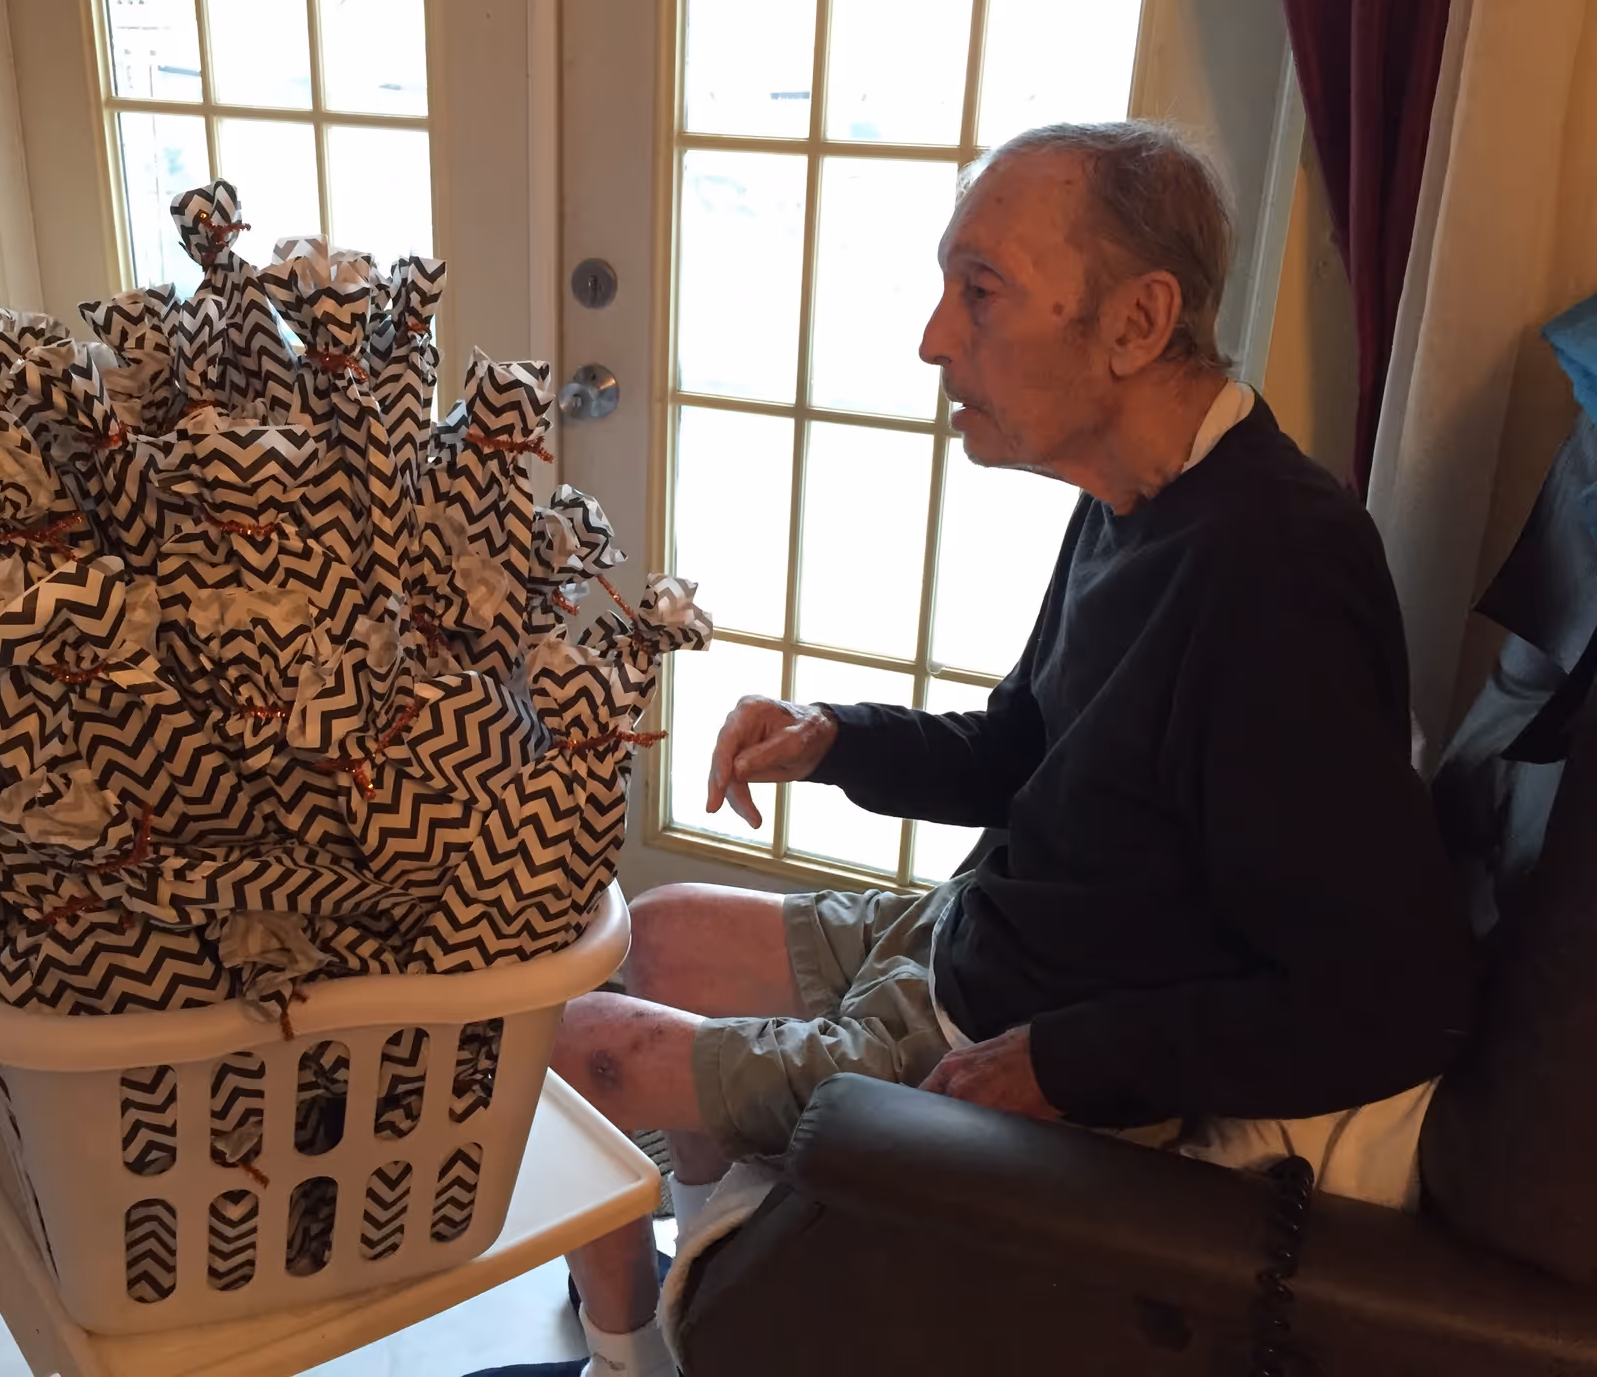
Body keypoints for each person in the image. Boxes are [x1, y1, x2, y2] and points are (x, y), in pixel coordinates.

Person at [471, 121, 1476, 1377]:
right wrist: (836, 740)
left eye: (981, 291)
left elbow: (1397, 1000)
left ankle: (631, 1363)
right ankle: (695, 1288)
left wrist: (1064, 1061)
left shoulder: (1279, 576)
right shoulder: (1140, 503)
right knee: (655, 929)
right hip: (964, 931)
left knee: (577, 1050)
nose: (937, 337)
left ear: (1136, 320)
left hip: (1005, 1019)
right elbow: (1021, 746)